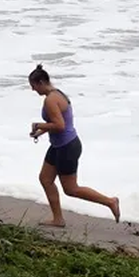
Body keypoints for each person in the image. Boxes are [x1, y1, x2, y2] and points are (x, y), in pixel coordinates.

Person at [27, 64, 120, 227]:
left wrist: (39, 125)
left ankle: (110, 202)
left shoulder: (51, 99)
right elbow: (57, 123)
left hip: (67, 147)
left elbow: (60, 125)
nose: (33, 90)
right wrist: (40, 132)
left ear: (41, 82)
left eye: (33, 86)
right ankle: (58, 219)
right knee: (45, 179)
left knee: (71, 189)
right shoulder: (56, 94)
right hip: (58, 146)